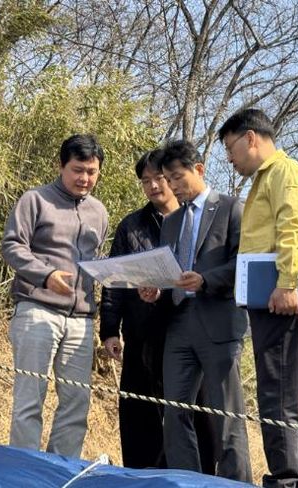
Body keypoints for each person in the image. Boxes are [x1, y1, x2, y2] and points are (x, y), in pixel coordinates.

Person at [219, 109, 298, 488]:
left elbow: (295, 225)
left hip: (283, 299)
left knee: (276, 400)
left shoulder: (284, 172)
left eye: (229, 148)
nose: (229, 158)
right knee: (284, 400)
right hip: (271, 300)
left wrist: (288, 283)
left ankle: (284, 481)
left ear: (250, 138)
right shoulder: (266, 178)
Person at [140, 140, 252, 482]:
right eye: (167, 179)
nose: (172, 186)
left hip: (220, 322)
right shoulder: (171, 222)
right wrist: (156, 288)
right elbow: (169, 269)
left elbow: (244, 262)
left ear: (199, 170)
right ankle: (185, 481)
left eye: (177, 178)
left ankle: (235, 484)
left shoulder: (232, 208)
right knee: (174, 412)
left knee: (227, 416)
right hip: (179, 325)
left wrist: (206, 280)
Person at [100, 149, 217, 470]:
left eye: (159, 178)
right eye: (145, 181)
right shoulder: (132, 226)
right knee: (139, 414)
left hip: (189, 334)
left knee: (194, 414)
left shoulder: (197, 220)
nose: (152, 186)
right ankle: (140, 477)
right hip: (141, 333)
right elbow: (114, 281)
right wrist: (110, 329)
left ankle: (198, 477)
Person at [1, 134, 108, 457]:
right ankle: (23, 469)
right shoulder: (35, 200)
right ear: (60, 166)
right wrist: (46, 275)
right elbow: (12, 246)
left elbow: (97, 261)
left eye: (91, 172)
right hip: (37, 310)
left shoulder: (99, 212)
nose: (84, 178)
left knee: (77, 403)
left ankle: (60, 470)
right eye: (78, 170)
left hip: (81, 320)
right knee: (30, 398)